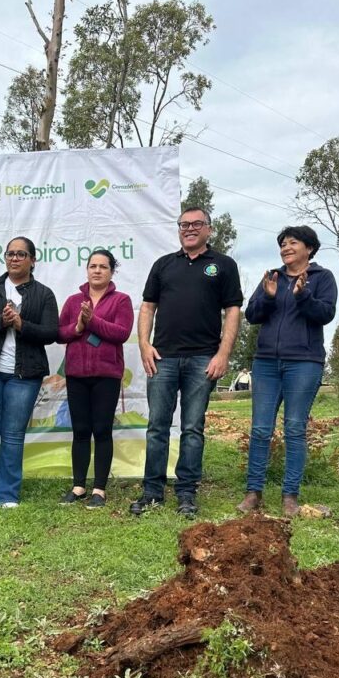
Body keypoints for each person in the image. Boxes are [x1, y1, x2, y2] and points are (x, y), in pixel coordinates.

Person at [132, 207, 243, 518]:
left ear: (208, 229)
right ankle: (152, 491)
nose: (189, 229)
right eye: (184, 224)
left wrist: (223, 354)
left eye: (197, 224)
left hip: (202, 359)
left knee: (193, 428)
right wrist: (144, 345)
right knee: (157, 427)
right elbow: (147, 307)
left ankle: (186, 493)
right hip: (163, 359)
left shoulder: (223, 265)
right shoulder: (163, 265)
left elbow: (232, 310)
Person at [237, 226, 337, 517]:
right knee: (259, 429)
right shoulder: (272, 277)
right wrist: (268, 297)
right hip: (266, 362)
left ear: (309, 248)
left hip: (304, 363)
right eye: (282, 243)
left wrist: (303, 296)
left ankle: (289, 496)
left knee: (294, 428)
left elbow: (325, 314)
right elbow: (252, 315)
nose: (286, 247)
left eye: (293, 242)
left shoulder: (323, 278)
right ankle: (253, 492)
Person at [0, 236, 58, 510]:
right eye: (10, 254)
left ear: (32, 260)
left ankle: (6, 494)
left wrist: (21, 324)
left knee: (14, 435)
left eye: (21, 254)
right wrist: (0, 321)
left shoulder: (44, 293)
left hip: (24, 375)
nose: (14, 258)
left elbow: (51, 332)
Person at [57, 249, 134, 508]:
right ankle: (79, 486)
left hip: (107, 375)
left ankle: (99, 489)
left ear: (112, 271)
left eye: (103, 266)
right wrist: (78, 326)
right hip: (76, 374)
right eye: (93, 266)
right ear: (87, 269)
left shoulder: (121, 300)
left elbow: (121, 332)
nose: (97, 270)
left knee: (102, 430)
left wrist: (92, 321)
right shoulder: (72, 301)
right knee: (80, 431)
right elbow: (60, 333)